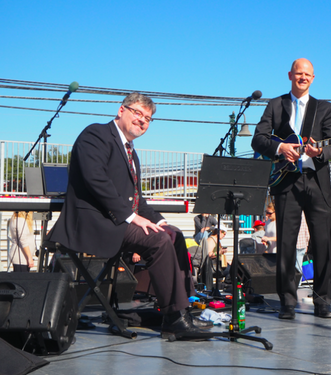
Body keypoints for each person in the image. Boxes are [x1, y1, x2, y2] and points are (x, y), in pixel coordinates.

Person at [47, 92, 211, 338]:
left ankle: (181, 309)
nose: (143, 120)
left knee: (173, 234)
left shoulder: (132, 153)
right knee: (158, 241)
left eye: (148, 118)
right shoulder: (95, 135)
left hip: (117, 221)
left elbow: (137, 199)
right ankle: (174, 320)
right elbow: (96, 180)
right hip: (95, 223)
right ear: (121, 110)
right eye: (138, 113)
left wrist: (160, 221)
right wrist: (131, 217)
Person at [252, 58, 331, 319]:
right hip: (285, 181)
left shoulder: (324, 108)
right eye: (298, 73)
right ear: (290, 75)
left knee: (323, 243)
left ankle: (323, 301)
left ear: (313, 78)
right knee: (287, 245)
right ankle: (287, 302)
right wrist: (281, 148)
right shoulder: (275, 104)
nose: (303, 77)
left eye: (307, 74)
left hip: (316, 181)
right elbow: (258, 138)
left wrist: (320, 150)